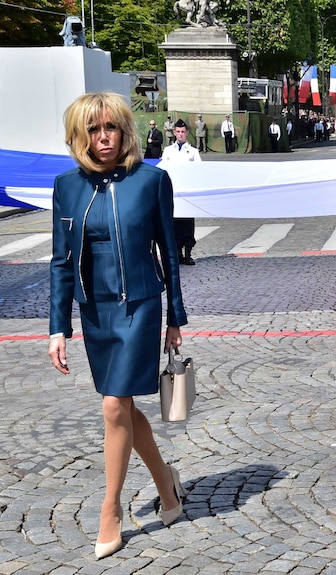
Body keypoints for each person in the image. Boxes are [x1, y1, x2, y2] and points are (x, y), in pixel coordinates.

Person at [48, 92, 189, 559]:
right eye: (92, 129)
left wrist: (175, 317)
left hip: (140, 306)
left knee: (114, 405)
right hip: (95, 311)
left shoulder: (151, 180)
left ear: (125, 130)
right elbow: (60, 262)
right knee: (123, 408)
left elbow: (170, 252)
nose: (102, 137)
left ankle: (109, 509)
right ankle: (166, 484)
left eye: (110, 127)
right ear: (79, 135)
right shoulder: (66, 185)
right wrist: (57, 327)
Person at [161, 118, 201, 265]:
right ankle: (177, 254)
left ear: (187, 133)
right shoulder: (168, 151)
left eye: (183, 132)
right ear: (174, 133)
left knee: (188, 224)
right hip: (173, 192)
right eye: (178, 132)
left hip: (187, 192)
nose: (180, 134)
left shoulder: (193, 152)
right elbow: (163, 169)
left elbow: (199, 170)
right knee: (174, 223)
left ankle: (188, 253)